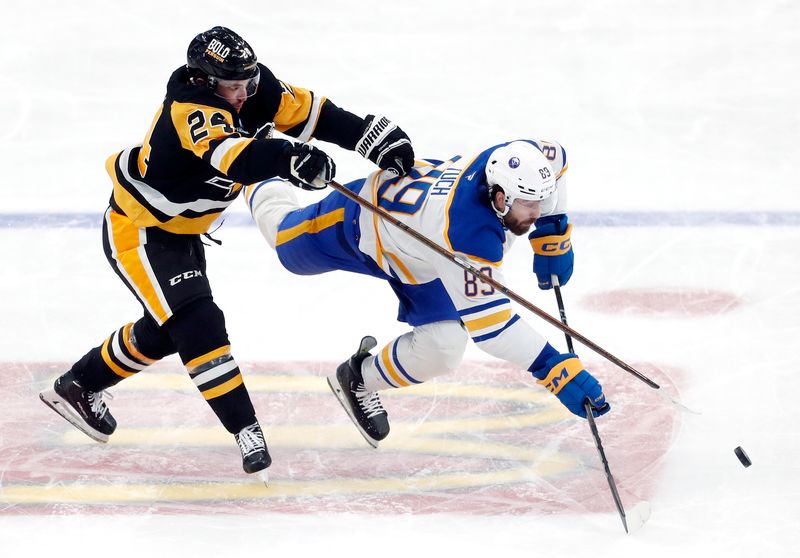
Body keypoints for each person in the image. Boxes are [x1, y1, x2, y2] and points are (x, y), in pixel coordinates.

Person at [39, 26, 415, 475]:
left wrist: (371, 136)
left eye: (247, 84)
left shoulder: (253, 88)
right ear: (203, 81)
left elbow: (317, 115)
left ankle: (78, 385)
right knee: (197, 322)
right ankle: (245, 430)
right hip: (140, 229)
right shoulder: (191, 108)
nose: (242, 96)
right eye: (232, 87)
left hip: (183, 231)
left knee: (167, 328)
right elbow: (232, 155)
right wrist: (285, 158)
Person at [245, 138, 610, 448]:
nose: (537, 211)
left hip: (424, 259)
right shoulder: (468, 235)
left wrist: (553, 229)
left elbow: (557, 158)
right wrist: (552, 368)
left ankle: (357, 378)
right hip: (358, 223)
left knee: (443, 349)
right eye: (530, 206)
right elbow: (493, 327)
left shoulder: (519, 160)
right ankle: (248, 163)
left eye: (541, 203)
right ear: (499, 197)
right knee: (284, 243)